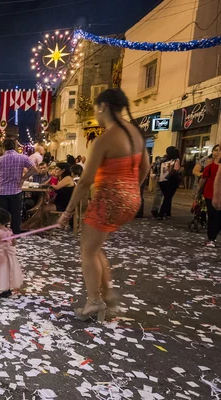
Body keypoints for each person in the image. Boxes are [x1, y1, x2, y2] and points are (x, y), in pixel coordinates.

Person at [57, 88, 149, 322]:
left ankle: (94, 301)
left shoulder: (105, 139)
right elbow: (145, 166)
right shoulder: (135, 133)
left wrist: (67, 212)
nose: (95, 114)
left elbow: (85, 181)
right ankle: (107, 295)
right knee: (95, 247)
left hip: (108, 199)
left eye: (96, 109)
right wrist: (131, 189)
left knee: (87, 251)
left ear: (103, 107)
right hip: (130, 199)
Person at [0, 138, 37, 234]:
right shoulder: (22, 157)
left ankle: (2, 233)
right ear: (15, 146)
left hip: (2, 191)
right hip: (16, 190)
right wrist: (23, 178)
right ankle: (15, 234)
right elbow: (34, 169)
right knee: (15, 214)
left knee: (2, 215)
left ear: (4, 148)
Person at [25, 163, 75, 229]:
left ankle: (26, 224)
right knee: (42, 207)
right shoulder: (61, 178)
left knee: (41, 209)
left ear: (63, 170)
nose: (55, 171)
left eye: (57, 169)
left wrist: (53, 180)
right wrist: (51, 179)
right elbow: (43, 185)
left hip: (64, 205)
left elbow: (56, 187)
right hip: (58, 202)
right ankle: (33, 225)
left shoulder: (67, 178)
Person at [197, 144, 221, 247]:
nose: (218, 152)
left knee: (219, 217)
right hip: (210, 194)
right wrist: (198, 193)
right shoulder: (209, 166)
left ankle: (214, 235)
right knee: (212, 216)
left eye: (220, 150)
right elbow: (203, 180)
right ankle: (211, 238)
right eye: (216, 150)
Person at [158, 146, 181, 220]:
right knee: (168, 198)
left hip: (162, 181)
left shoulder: (163, 161)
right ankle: (161, 213)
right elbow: (176, 170)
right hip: (171, 181)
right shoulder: (176, 160)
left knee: (167, 197)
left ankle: (168, 212)